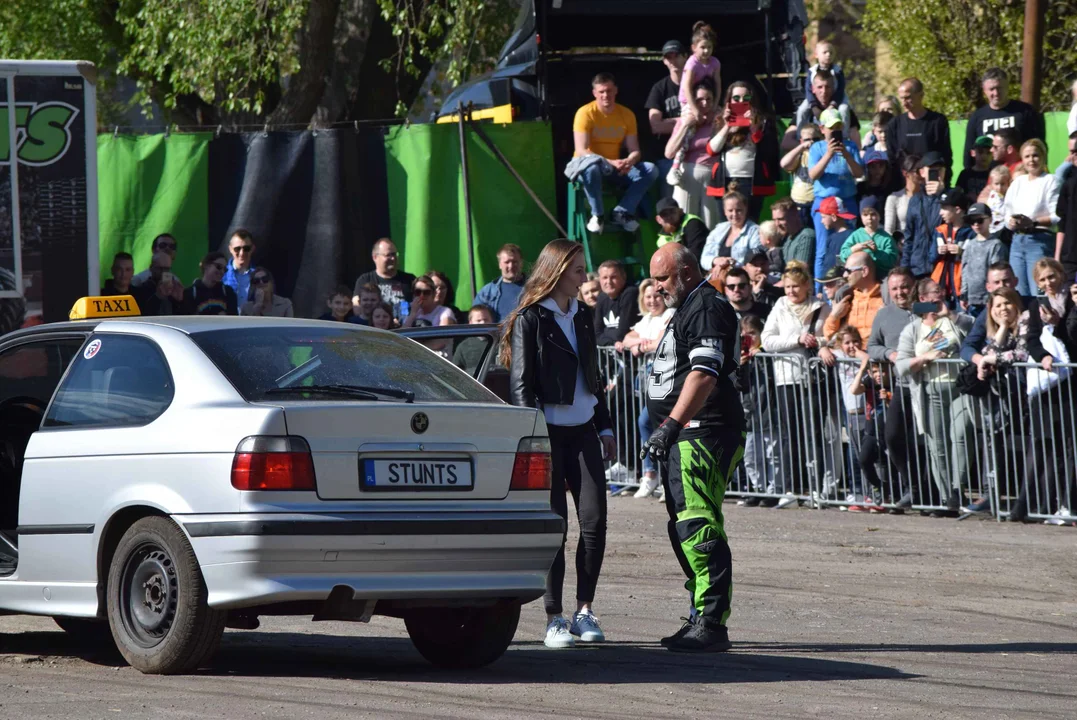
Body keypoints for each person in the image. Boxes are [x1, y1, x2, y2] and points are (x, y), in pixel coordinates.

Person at [501, 239, 616, 649]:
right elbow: (521, 387)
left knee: (594, 520)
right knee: (556, 526)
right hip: (547, 434)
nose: (583, 277)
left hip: (584, 430)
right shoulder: (531, 318)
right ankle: (554, 616)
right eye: (577, 270)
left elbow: (593, 375)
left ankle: (585, 610)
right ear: (556, 272)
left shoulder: (583, 315)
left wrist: (605, 426)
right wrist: (535, 439)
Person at [642, 242, 743, 653]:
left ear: (685, 272)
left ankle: (712, 621)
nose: (658, 287)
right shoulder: (687, 306)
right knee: (683, 523)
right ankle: (700, 614)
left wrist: (671, 424)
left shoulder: (705, 305)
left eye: (663, 278)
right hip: (689, 430)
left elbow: (704, 373)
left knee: (696, 523)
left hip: (703, 430)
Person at [894, 278, 970, 515]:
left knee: (958, 436)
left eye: (941, 292)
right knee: (937, 445)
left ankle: (958, 489)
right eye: (934, 293)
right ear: (923, 299)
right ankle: (948, 499)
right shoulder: (913, 328)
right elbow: (901, 364)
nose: (939, 296)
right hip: (931, 390)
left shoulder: (960, 319)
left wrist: (949, 317)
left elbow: (970, 339)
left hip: (958, 388)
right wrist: (924, 359)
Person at [760, 262, 832, 508]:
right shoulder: (780, 306)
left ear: (807, 286)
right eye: (787, 287)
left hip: (813, 378)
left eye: (795, 287)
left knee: (814, 434)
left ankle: (817, 489)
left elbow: (829, 335)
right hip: (786, 377)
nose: (791, 291)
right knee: (790, 435)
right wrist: (796, 339)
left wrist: (819, 342)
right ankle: (792, 488)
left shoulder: (820, 307)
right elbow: (767, 340)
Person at [571, 73, 658, 233]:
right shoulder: (585, 113)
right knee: (591, 168)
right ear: (594, 93)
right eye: (602, 92)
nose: (606, 95)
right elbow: (582, 150)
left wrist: (628, 161)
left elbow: (635, 150)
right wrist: (610, 162)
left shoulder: (627, 114)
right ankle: (598, 215)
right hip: (589, 167)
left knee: (650, 169)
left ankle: (622, 211)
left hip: (615, 167)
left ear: (616, 91)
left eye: (609, 91)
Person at [617, 279, 674, 499]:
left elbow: (661, 341)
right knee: (651, 423)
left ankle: (656, 475)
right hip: (649, 376)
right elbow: (626, 338)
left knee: (649, 422)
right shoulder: (647, 319)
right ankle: (652, 475)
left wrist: (641, 345)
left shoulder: (670, 315)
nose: (652, 301)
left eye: (657, 296)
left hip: (666, 376)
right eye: (648, 296)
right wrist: (642, 342)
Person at [867, 268, 919, 508]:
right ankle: (912, 486)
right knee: (893, 436)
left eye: (905, 286)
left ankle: (931, 493)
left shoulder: (926, 309)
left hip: (929, 385)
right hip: (902, 384)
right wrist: (891, 354)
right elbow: (872, 347)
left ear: (914, 286)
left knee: (926, 439)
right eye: (895, 288)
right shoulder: (884, 314)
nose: (900, 292)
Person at [704, 82, 781, 220]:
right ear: (729, 100)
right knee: (726, 224)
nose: (741, 102)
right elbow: (711, 150)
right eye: (736, 98)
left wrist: (754, 128)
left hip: (751, 182)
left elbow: (770, 152)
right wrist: (727, 126)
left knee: (750, 223)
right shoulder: (720, 120)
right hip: (725, 181)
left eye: (746, 98)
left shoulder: (763, 121)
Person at [809, 107, 863, 280]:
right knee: (823, 247)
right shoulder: (817, 148)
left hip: (847, 202)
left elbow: (859, 173)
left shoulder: (850, 146)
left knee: (849, 245)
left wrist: (847, 155)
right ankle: (821, 287)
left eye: (839, 127)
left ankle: (848, 281)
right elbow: (813, 174)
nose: (835, 131)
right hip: (824, 204)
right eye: (832, 127)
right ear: (822, 128)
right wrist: (829, 154)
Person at [1002, 139, 1060, 296]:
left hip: (1040, 240)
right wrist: (1011, 222)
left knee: (1040, 291)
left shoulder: (1050, 180)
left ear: (1043, 157)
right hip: (1017, 242)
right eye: (1027, 156)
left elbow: (1057, 215)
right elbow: (1006, 212)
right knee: (1019, 292)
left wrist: (1032, 222)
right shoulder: (1018, 182)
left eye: (1035, 155)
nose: (1031, 160)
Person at [668, 23, 721, 184]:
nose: (706, 51)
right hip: (688, 100)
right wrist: (694, 109)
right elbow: (686, 86)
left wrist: (714, 106)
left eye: (709, 47)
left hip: (706, 99)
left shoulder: (714, 63)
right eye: (703, 47)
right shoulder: (692, 63)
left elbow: (717, 84)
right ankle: (676, 166)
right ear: (693, 48)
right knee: (689, 128)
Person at [665, 78, 721, 227]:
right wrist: (685, 126)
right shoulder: (685, 119)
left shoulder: (719, 120)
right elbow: (669, 153)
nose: (705, 104)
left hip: (712, 175)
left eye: (709, 99)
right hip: (687, 174)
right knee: (685, 223)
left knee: (710, 224)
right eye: (699, 99)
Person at [963, 68, 1045, 170]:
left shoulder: (1026, 112)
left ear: (1007, 87)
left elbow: (1039, 145)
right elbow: (969, 154)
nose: (996, 93)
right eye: (991, 89)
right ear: (984, 90)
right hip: (989, 178)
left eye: (999, 88)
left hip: (1020, 174)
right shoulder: (977, 117)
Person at [885, 78, 952, 178]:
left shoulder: (937, 121)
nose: (904, 103)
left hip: (931, 181)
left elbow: (945, 155)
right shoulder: (894, 124)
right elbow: (892, 159)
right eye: (901, 98)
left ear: (921, 95)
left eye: (908, 98)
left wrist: (943, 181)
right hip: (905, 184)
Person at [902, 152, 951, 279]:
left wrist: (941, 194)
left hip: (942, 264)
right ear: (922, 172)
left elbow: (955, 224)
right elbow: (909, 237)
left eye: (940, 170)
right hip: (917, 267)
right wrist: (904, 269)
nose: (937, 173)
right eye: (932, 170)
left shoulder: (953, 196)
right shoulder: (915, 200)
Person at [645, 40, 687, 184]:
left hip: (696, 155)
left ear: (685, 57)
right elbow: (656, 126)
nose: (673, 60)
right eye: (669, 57)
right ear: (664, 61)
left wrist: (669, 123)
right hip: (668, 156)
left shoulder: (697, 85)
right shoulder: (659, 89)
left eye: (677, 56)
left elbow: (706, 119)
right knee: (669, 201)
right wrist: (685, 121)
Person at [824, 252, 884, 342]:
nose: (844, 275)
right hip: (848, 353)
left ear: (864, 271)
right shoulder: (847, 299)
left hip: (875, 353)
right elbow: (828, 336)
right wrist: (834, 316)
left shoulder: (885, 298)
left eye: (848, 271)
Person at [960, 203, 1007, 317]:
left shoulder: (995, 245)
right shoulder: (969, 245)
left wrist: (994, 296)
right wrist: (964, 294)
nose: (976, 224)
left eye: (980, 220)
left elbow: (997, 274)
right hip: (971, 300)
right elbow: (965, 271)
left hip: (989, 299)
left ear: (990, 220)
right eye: (972, 221)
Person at [354, 238, 417, 319]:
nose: (393, 258)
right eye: (388, 255)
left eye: (394, 254)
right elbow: (357, 308)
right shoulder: (365, 280)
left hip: (403, 328)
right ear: (375, 257)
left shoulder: (409, 279)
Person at [700, 193, 762, 273]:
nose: (734, 214)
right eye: (730, 210)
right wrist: (716, 260)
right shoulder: (718, 229)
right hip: (717, 279)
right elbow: (704, 259)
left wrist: (730, 264)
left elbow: (757, 259)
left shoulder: (755, 231)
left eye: (739, 210)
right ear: (725, 211)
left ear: (746, 209)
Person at [931, 189, 973, 306]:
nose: (940, 213)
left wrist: (962, 252)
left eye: (944, 208)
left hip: (961, 289)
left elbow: (976, 260)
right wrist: (938, 252)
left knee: (961, 320)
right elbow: (930, 258)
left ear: (957, 210)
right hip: (940, 287)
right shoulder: (940, 231)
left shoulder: (970, 232)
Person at [796, 41, 850, 129]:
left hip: (837, 100)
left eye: (831, 53)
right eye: (825, 52)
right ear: (816, 55)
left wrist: (833, 105)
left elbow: (840, 89)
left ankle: (844, 136)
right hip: (815, 100)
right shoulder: (812, 71)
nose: (828, 55)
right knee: (802, 110)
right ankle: (799, 135)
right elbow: (808, 90)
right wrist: (814, 106)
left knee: (844, 110)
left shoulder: (838, 71)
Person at [840, 196, 897, 276]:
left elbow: (891, 261)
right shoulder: (856, 235)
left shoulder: (886, 238)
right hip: (860, 278)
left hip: (881, 278)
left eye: (873, 214)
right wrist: (854, 249)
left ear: (879, 216)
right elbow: (843, 255)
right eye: (865, 215)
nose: (869, 218)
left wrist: (877, 252)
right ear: (861, 217)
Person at [473, 243, 527, 322]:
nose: (511, 266)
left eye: (514, 262)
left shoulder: (535, 288)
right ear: (499, 264)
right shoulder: (487, 293)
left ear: (521, 263)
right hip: (497, 334)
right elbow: (476, 320)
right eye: (507, 262)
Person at [780, 123, 822, 221]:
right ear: (801, 141)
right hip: (799, 202)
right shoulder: (800, 155)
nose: (811, 142)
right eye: (808, 139)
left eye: (815, 139)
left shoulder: (823, 154)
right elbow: (784, 164)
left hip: (816, 201)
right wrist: (801, 147)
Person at [593, 260, 640, 347]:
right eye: (605, 278)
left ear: (623, 277)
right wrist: (613, 343)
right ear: (599, 280)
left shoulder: (630, 293)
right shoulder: (602, 297)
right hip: (612, 354)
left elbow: (623, 332)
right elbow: (596, 334)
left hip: (630, 355)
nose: (609, 282)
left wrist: (606, 338)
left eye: (613, 277)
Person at [654, 197, 709, 263]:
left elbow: (695, 255)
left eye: (672, 212)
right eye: (664, 214)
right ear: (658, 219)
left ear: (680, 211)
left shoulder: (693, 224)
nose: (669, 217)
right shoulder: (661, 241)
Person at [815, 196, 856, 281]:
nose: (821, 221)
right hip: (828, 283)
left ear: (833, 217)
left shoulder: (850, 236)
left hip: (840, 283)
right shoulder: (831, 238)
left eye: (823, 217)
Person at [132, 251, 185, 316]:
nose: (163, 272)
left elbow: (184, 315)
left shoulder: (174, 288)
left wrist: (180, 301)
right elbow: (142, 315)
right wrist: (157, 297)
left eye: (167, 269)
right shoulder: (141, 289)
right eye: (160, 268)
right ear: (151, 268)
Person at [885, 154, 923, 242]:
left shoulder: (928, 197)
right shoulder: (894, 198)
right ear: (905, 173)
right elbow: (888, 231)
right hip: (902, 245)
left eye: (923, 170)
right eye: (917, 171)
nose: (921, 174)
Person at [772, 197, 815, 268]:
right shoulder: (788, 237)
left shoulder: (806, 236)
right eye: (774, 220)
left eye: (781, 219)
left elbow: (799, 272)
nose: (777, 224)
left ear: (795, 216)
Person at [452, 304, 496, 374]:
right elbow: (455, 373)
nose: (483, 323)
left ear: (492, 320)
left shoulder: (502, 343)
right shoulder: (463, 347)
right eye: (478, 320)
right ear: (471, 323)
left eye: (486, 320)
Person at [1058, 132, 1077, 281]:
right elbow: (1062, 222)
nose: (1072, 157)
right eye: (1071, 152)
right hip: (1071, 257)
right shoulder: (1068, 182)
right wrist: (1057, 257)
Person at [223, 229, 258, 306]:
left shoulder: (260, 276)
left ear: (252, 249)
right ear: (230, 249)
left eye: (246, 249)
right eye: (237, 249)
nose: (242, 253)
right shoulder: (221, 274)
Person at [956, 136, 994, 201]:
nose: (984, 156)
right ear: (973, 153)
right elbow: (958, 194)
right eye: (980, 152)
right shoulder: (965, 174)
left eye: (988, 153)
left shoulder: (994, 174)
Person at [984, 164, 1012, 234]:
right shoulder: (992, 195)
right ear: (991, 184)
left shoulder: (1010, 195)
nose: (999, 187)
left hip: (1005, 228)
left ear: (1008, 183)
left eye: (1002, 184)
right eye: (996, 184)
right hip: (992, 228)